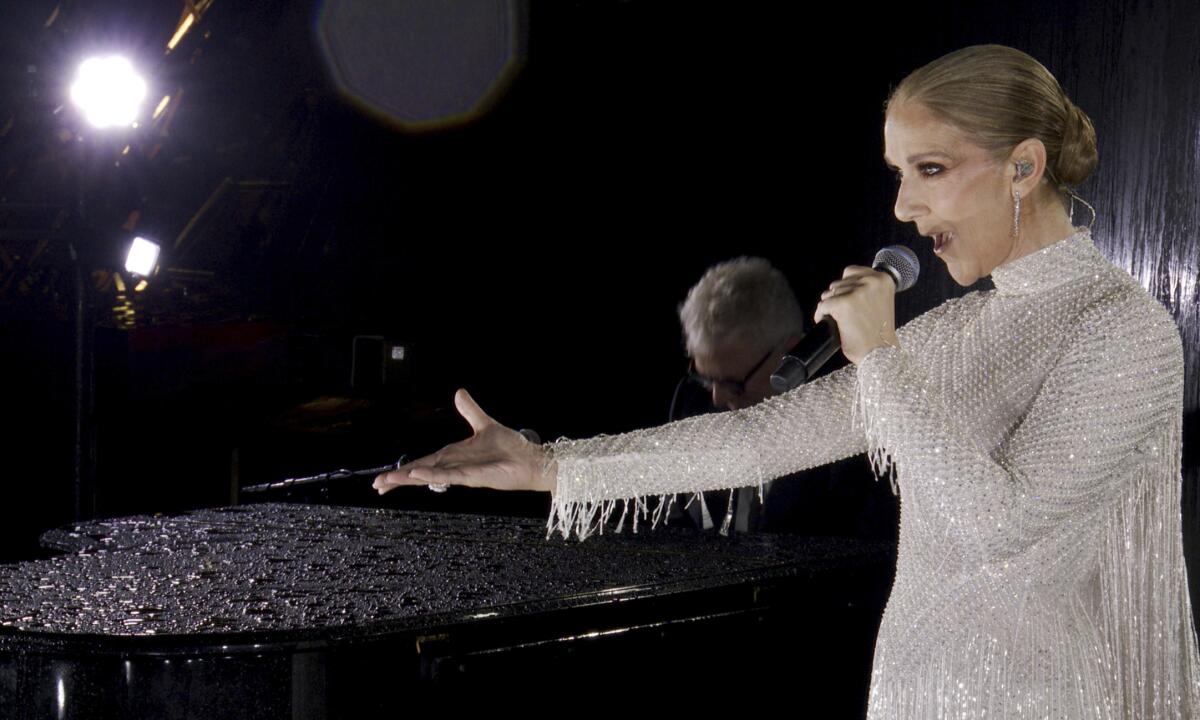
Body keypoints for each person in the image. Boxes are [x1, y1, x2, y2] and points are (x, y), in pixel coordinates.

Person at [375, 45, 1200, 718]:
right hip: (911, 693)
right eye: (898, 174)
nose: (906, 208)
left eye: (932, 169)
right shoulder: (955, 330)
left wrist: (879, 357)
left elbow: (1002, 529)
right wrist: (548, 465)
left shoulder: (1121, 329)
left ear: (1024, 166)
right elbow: (761, 435)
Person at [673, 256, 894, 538]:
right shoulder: (690, 401)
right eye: (707, 378)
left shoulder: (851, 429)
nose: (716, 398)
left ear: (789, 352)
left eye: (734, 383)